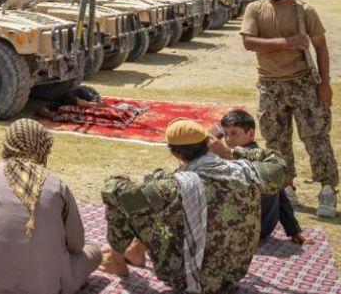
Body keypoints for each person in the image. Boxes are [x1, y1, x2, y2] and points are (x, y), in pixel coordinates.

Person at [100, 118, 286, 294]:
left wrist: (118, 179)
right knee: (155, 203)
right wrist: (231, 153)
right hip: (233, 274)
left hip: (187, 279)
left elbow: (115, 192)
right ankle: (135, 251)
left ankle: (116, 261)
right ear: (208, 144)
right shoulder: (245, 172)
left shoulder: (172, 186)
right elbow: (278, 164)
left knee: (132, 204)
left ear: (175, 153)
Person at [0, 119, 102, 294]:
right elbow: (76, 245)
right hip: (46, 288)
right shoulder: (57, 185)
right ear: (43, 146)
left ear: (8, 143)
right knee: (93, 250)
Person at [240, 0, 339, 217]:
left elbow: (321, 48)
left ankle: (328, 189)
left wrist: (325, 84)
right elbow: (249, 42)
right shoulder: (255, 10)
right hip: (270, 86)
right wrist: (287, 42)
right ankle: (287, 186)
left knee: (316, 138)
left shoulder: (305, 12)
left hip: (303, 84)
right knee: (276, 141)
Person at [216, 110, 307, 244]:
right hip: (257, 228)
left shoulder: (263, 161)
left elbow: (281, 197)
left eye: (234, 133)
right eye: (225, 134)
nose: (228, 139)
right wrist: (293, 230)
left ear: (251, 133)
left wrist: (293, 230)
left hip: (253, 228)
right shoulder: (227, 156)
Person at [36, 84, 102, 120]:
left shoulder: (83, 93)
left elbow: (98, 102)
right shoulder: (63, 101)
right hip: (72, 95)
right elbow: (41, 110)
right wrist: (50, 115)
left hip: (83, 94)